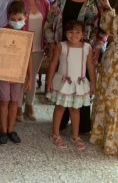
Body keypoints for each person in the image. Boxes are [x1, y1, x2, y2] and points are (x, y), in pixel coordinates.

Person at [44, 0, 107, 134]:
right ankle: (62, 121)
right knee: (64, 83)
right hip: (62, 48)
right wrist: (51, 43)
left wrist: (99, 45)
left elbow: (104, 26)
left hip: (86, 50)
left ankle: (82, 125)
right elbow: (49, 23)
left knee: (81, 85)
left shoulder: (95, 0)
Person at [90, 0, 118, 159]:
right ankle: (103, 137)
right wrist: (108, 8)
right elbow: (107, 27)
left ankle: (116, 143)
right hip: (111, 62)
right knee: (107, 98)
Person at [46, 20, 95, 150]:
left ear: (83, 34)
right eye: (70, 31)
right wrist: (49, 81)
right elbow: (53, 63)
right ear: (65, 33)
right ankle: (55, 134)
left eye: (78, 32)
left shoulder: (87, 48)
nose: (74, 34)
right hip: (64, 84)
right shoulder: (61, 46)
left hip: (79, 84)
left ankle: (75, 135)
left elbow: (90, 66)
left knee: (75, 109)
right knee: (60, 107)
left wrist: (93, 84)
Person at [0, 1, 32, 145]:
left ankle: (11, 129)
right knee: (4, 101)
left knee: (14, 102)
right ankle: (3, 130)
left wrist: (29, 77)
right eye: (13, 19)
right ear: (8, 18)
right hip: (3, 74)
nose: (16, 22)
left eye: (19, 19)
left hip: (18, 75)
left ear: (25, 17)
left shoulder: (26, 36)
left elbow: (28, 57)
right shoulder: (3, 32)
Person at [17, 0, 50, 122]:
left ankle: (29, 104)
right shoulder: (20, 3)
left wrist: (49, 45)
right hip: (23, 47)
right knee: (21, 78)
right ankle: (18, 105)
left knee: (33, 76)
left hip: (39, 46)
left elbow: (49, 25)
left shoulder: (44, 3)